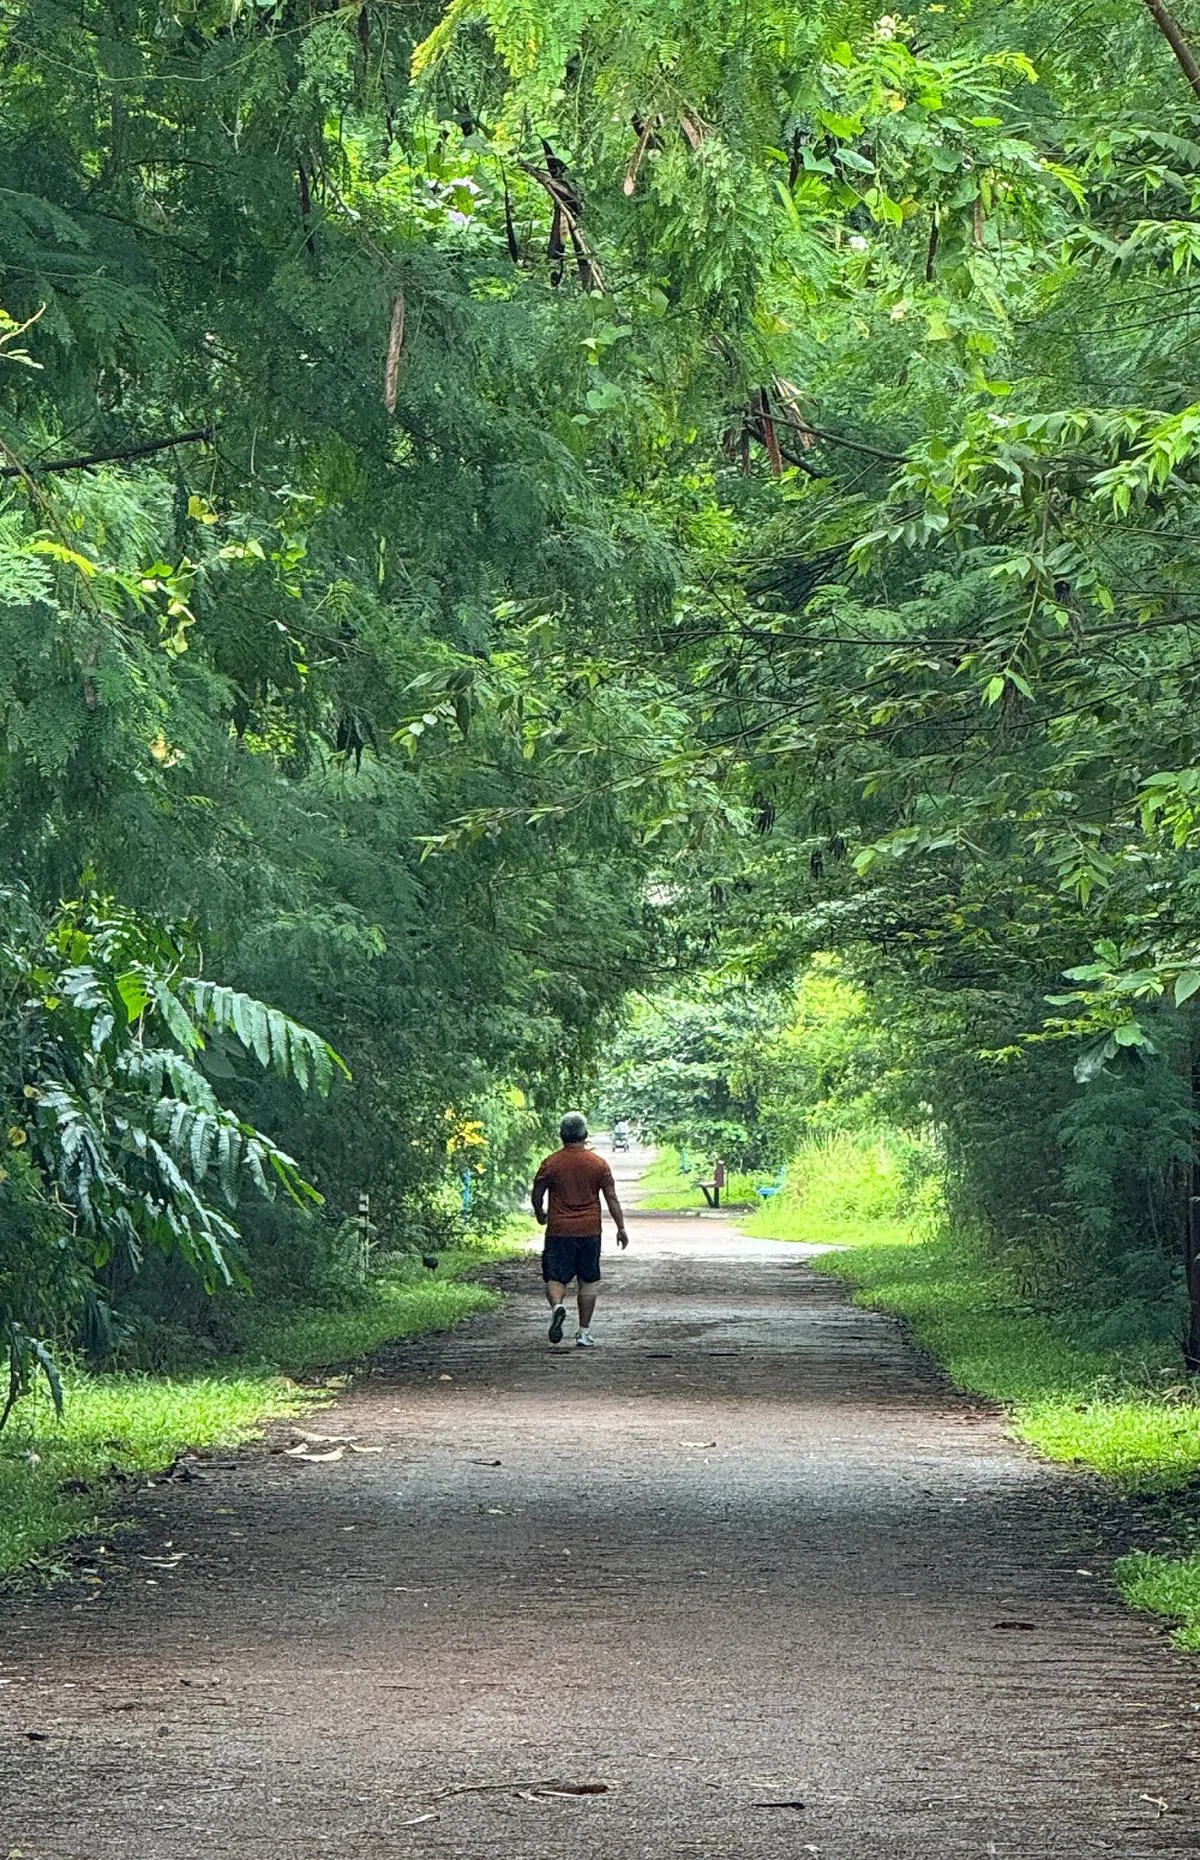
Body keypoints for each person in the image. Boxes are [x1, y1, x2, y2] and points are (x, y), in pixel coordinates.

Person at [532, 1112, 629, 1347]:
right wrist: (621, 1227)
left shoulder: (551, 1163)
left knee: (555, 1277)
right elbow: (611, 1198)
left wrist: (540, 1213)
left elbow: (537, 1193)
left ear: (561, 1135)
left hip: (559, 1230)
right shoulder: (598, 1164)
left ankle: (558, 1306)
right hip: (589, 1230)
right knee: (588, 1280)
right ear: (585, 1134)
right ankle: (584, 1333)